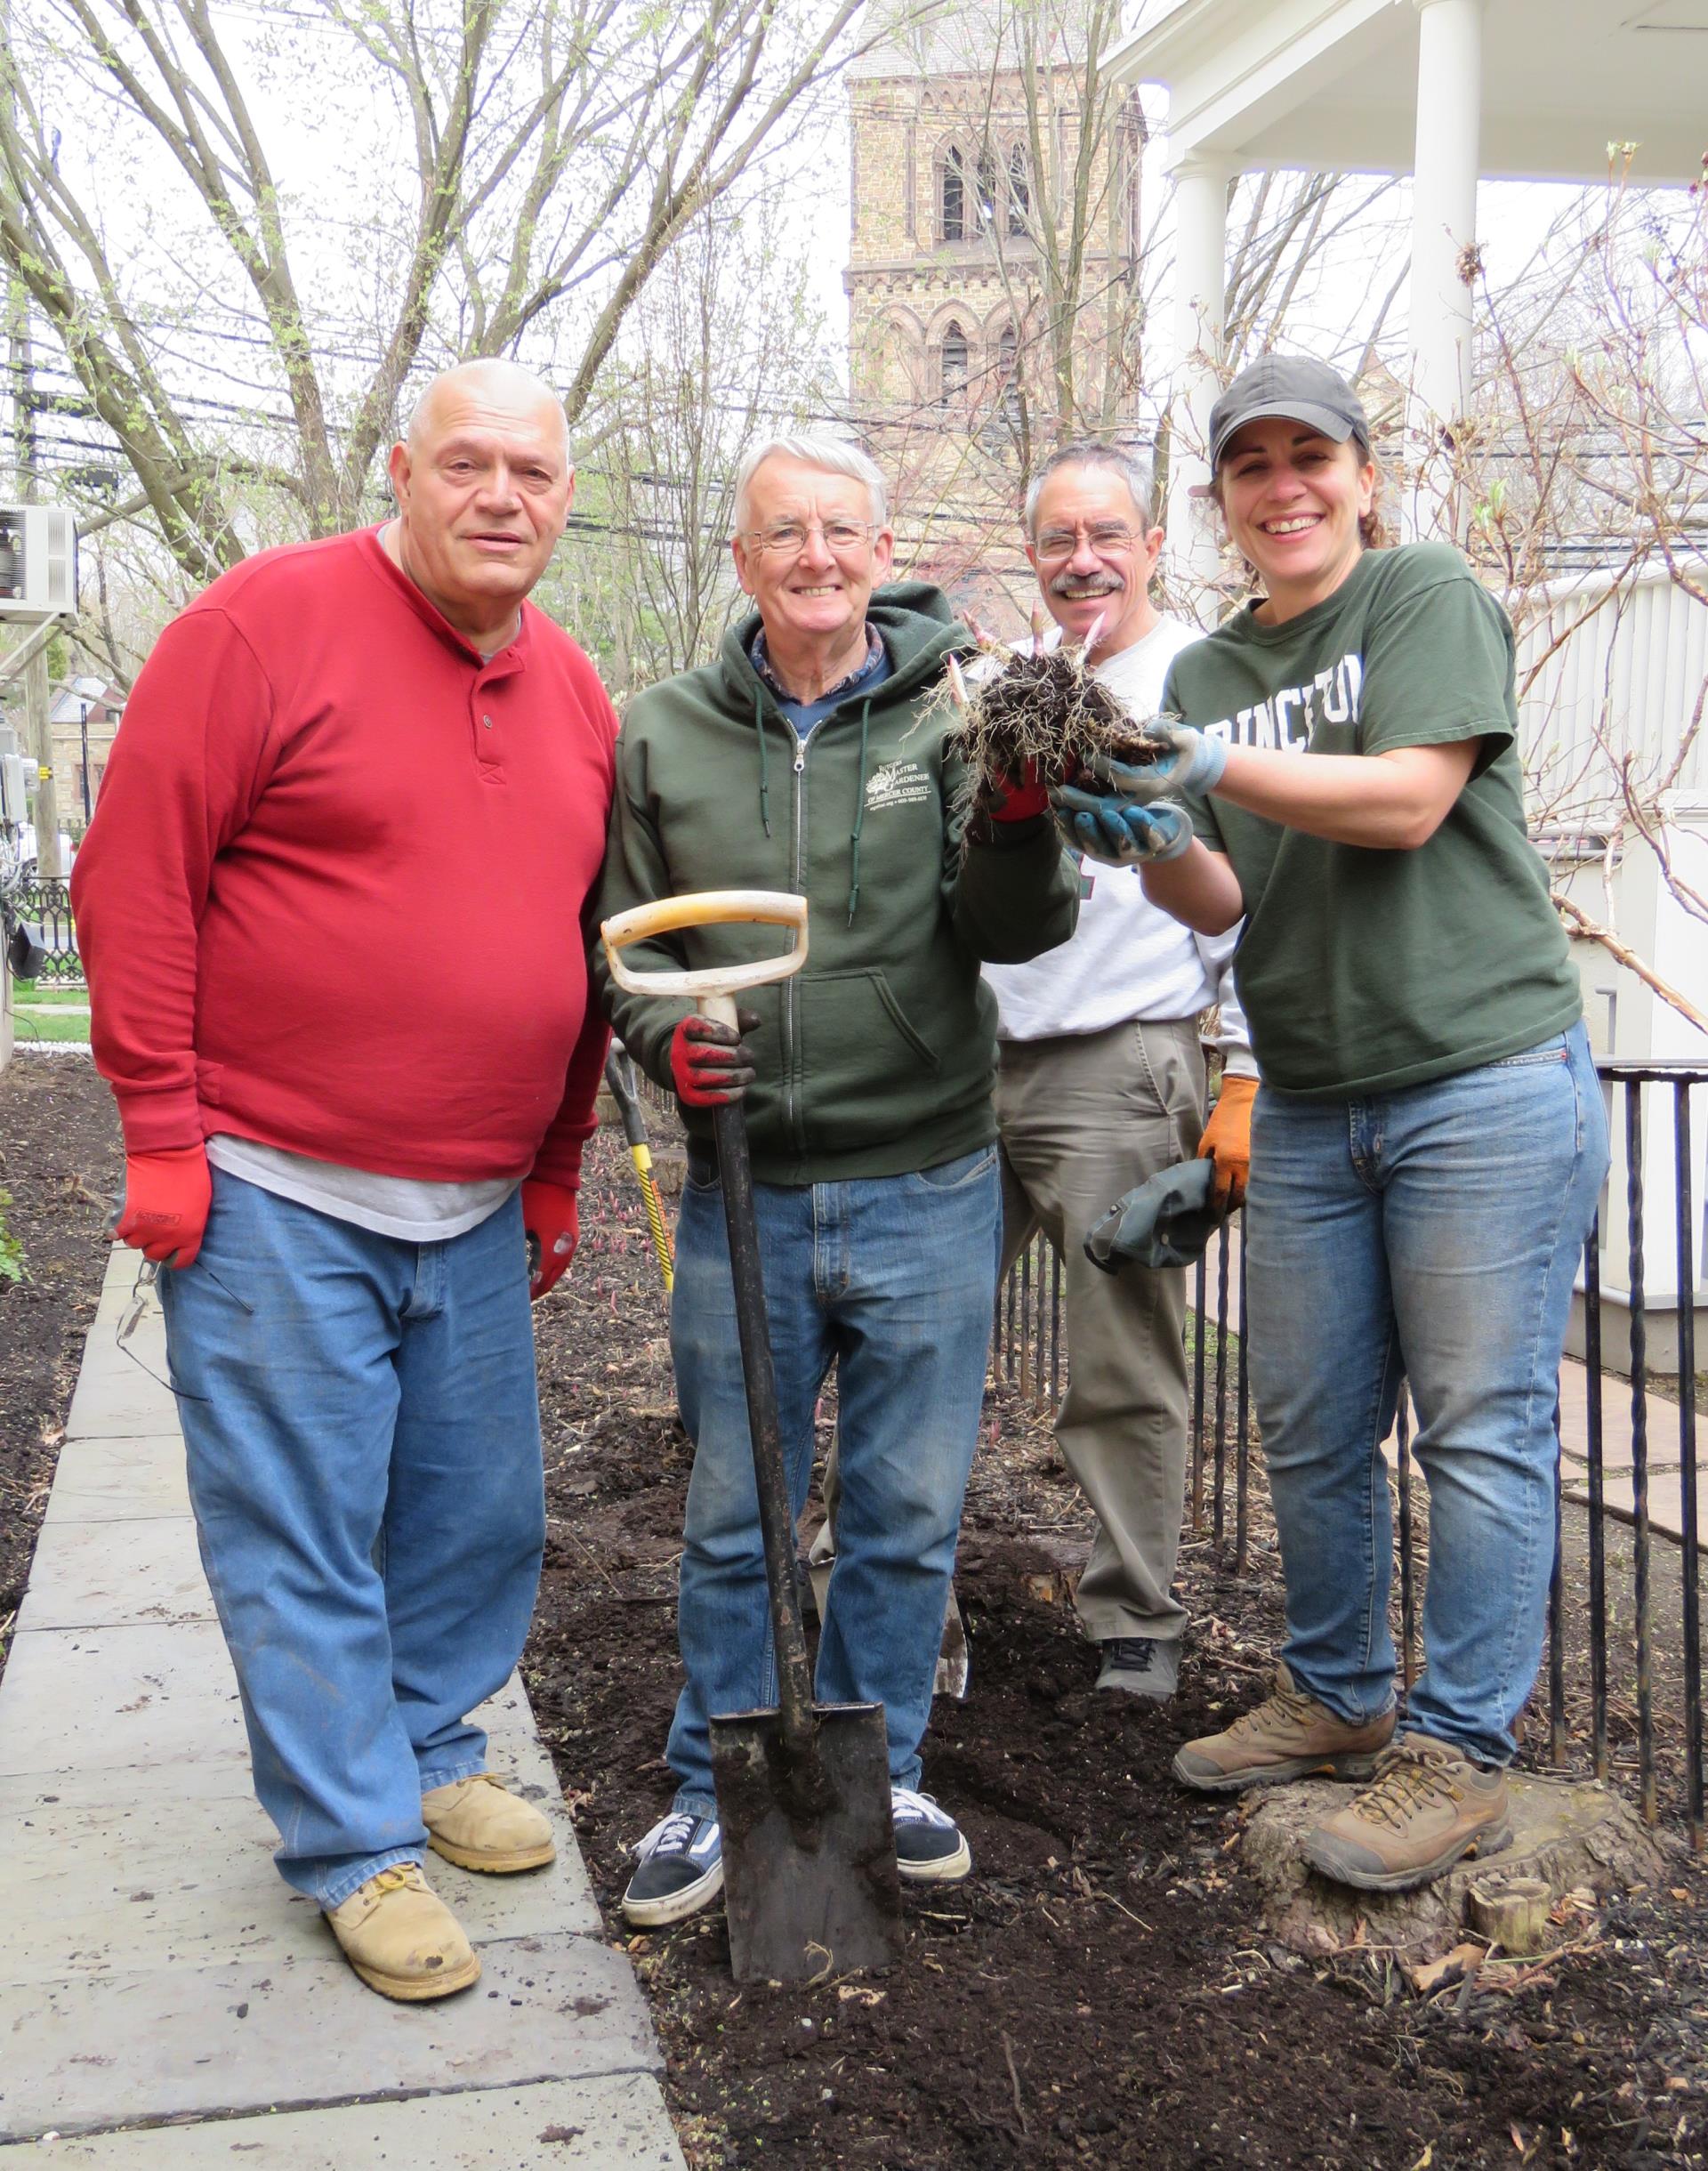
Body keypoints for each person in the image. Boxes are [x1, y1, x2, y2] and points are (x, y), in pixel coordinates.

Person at [71, 359, 617, 1998]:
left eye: (531, 470)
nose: (501, 496)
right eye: (467, 464)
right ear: (402, 471)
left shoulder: (574, 687)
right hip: (268, 1183)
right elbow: (132, 881)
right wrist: (162, 1132)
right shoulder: (258, 628)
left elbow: (577, 953)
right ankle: (351, 1844)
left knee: (471, 1514)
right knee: (301, 1528)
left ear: (565, 497)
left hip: (469, 1204)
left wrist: (554, 1164)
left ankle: (431, 1746)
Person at [1054, 352, 1608, 1892]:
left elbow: (1411, 798)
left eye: (1314, 457)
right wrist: (1151, 841)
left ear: (1365, 476)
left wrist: (1214, 765)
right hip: (1308, 1096)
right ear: (1221, 503)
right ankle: (1339, 1695)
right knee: (1307, 1426)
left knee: (1482, 1433)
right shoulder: (1214, 669)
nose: (1285, 486)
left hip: (1482, 1080)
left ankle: (1462, 1748)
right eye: (1252, 467)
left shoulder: (1422, 597)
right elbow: (1225, 894)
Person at [594, 434, 1079, 1927]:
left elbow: (1022, 929)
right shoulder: (659, 734)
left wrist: (1013, 806)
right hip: (750, 1181)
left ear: (883, 552)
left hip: (926, 1178)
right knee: (739, 1507)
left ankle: (891, 1763)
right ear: (741, 560)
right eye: (784, 531)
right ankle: (705, 1785)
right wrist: (677, 1040)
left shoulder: (956, 713)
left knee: (903, 1507)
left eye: (843, 531)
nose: (815, 554)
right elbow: (625, 940)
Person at [979, 442, 1257, 1701]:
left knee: (1123, 1359)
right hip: (967, 1068)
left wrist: (1242, 1076)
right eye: (1054, 540)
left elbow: (1260, 897)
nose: (1081, 560)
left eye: (1107, 535)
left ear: (1152, 545)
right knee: (907, 1339)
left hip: (1121, 1064)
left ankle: (1135, 1615)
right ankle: (872, 1589)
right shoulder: (1013, 685)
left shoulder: (1201, 681)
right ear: (1030, 555)